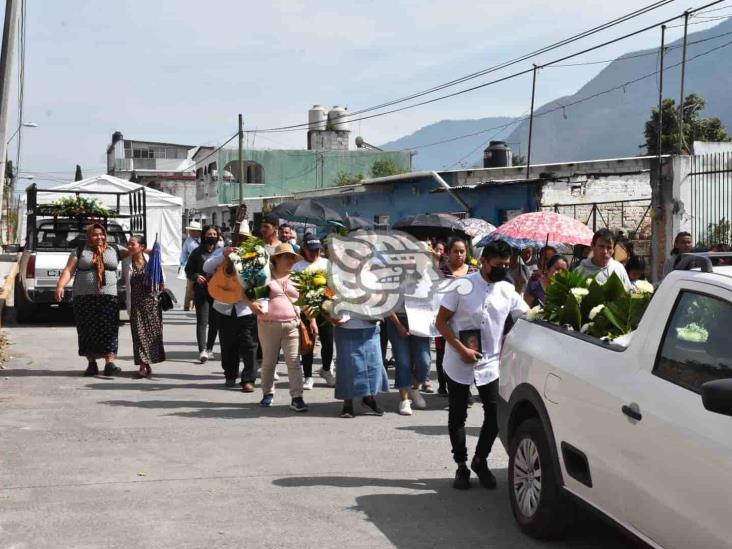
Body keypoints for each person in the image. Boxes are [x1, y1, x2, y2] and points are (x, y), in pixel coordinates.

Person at [435, 240, 528, 490]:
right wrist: (461, 349)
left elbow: (527, 317)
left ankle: (480, 460)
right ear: (484, 262)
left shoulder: (507, 290)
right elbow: (441, 322)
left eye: (506, 265)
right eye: (498, 265)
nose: (502, 269)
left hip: (490, 363)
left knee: (495, 415)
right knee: (458, 414)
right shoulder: (461, 286)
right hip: (458, 359)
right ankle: (461, 465)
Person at [55, 223, 130, 376]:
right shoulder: (80, 250)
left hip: (108, 296)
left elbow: (135, 251)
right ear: (89, 236)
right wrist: (60, 286)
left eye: (102, 234)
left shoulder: (114, 249)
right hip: (83, 296)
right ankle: (91, 363)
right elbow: (69, 270)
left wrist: (152, 250)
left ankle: (110, 363)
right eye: (95, 234)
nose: (99, 237)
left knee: (109, 329)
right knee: (87, 330)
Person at [258, 243, 317, 412]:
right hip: (268, 325)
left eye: (292, 257)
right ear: (276, 259)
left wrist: (312, 321)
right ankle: (267, 393)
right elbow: (254, 298)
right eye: (286, 257)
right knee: (269, 362)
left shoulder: (296, 278)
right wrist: (254, 305)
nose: (290, 260)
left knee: (294, 362)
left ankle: (297, 397)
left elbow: (305, 302)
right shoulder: (266, 277)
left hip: (292, 324)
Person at [203, 240, 260, 391]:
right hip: (223, 306)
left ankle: (249, 379)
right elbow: (206, 267)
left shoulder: (255, 255)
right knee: (227, 344)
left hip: (245, 308)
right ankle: (230, 374)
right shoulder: (222, 251)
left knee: (249, 345)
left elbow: (261, 279)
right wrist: (223, 254)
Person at [435, 238, 478, 396]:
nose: (459, 255)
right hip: (444, 318)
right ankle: (443, 384)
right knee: (442, 352)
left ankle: (466, 391)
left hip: (466, 321)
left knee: (467, 352)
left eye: (462, 251)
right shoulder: (441, 272)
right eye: (456, 251)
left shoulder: (474, 272)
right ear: (449, 253)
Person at [327, 311, 389, 419]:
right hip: (345, 328)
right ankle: (347, 403)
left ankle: (369, 398)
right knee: (348, 366)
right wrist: (328, 314)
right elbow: (324, 302)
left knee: (374, 365)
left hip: (371, 328)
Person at [293, 233, 335, 389]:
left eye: (317, 250)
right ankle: (308, 375)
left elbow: (333, 286)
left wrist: (328, 298)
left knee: (328, 342)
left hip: (326, 310)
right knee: (308, 343)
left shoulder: (326, 264)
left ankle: (326, 370)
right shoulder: (298, 266)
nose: (314, 253)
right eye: (311, 250)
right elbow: (297, 292)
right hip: (307, 309)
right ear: (304, 248)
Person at [124, 234, 166, 378]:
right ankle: (142, 364)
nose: (129, 247)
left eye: (132, 244)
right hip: (135, 305)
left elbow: (162, 280)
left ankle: (147, 362)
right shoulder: (126, 263)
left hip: (152, 305)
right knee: (139, 335)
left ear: (142, 247)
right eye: (128, 244)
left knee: (152, 335)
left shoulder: (152, 261)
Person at [185, 225, 221, 363]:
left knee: (215, 322)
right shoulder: (197, 252)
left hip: (218, 290)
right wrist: (196, 276)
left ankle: (210, 348)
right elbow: (188, 270)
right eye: (209, 234)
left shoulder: (220, 252)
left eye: (214, 234)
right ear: (204, 236)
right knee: (202, 321)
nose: (211, 236)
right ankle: (202, 350)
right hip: (202, 290)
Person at [180, 221, 202, 311]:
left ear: (199, 232)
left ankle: (198, 304)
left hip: (202, 265)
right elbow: (184, 253)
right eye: (191, 231)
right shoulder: (188, 241)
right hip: (191, 266)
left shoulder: (203, 240)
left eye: (194, 231)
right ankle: (187, 305)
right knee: (190, 285)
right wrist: (182, 263)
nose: (192, 232)